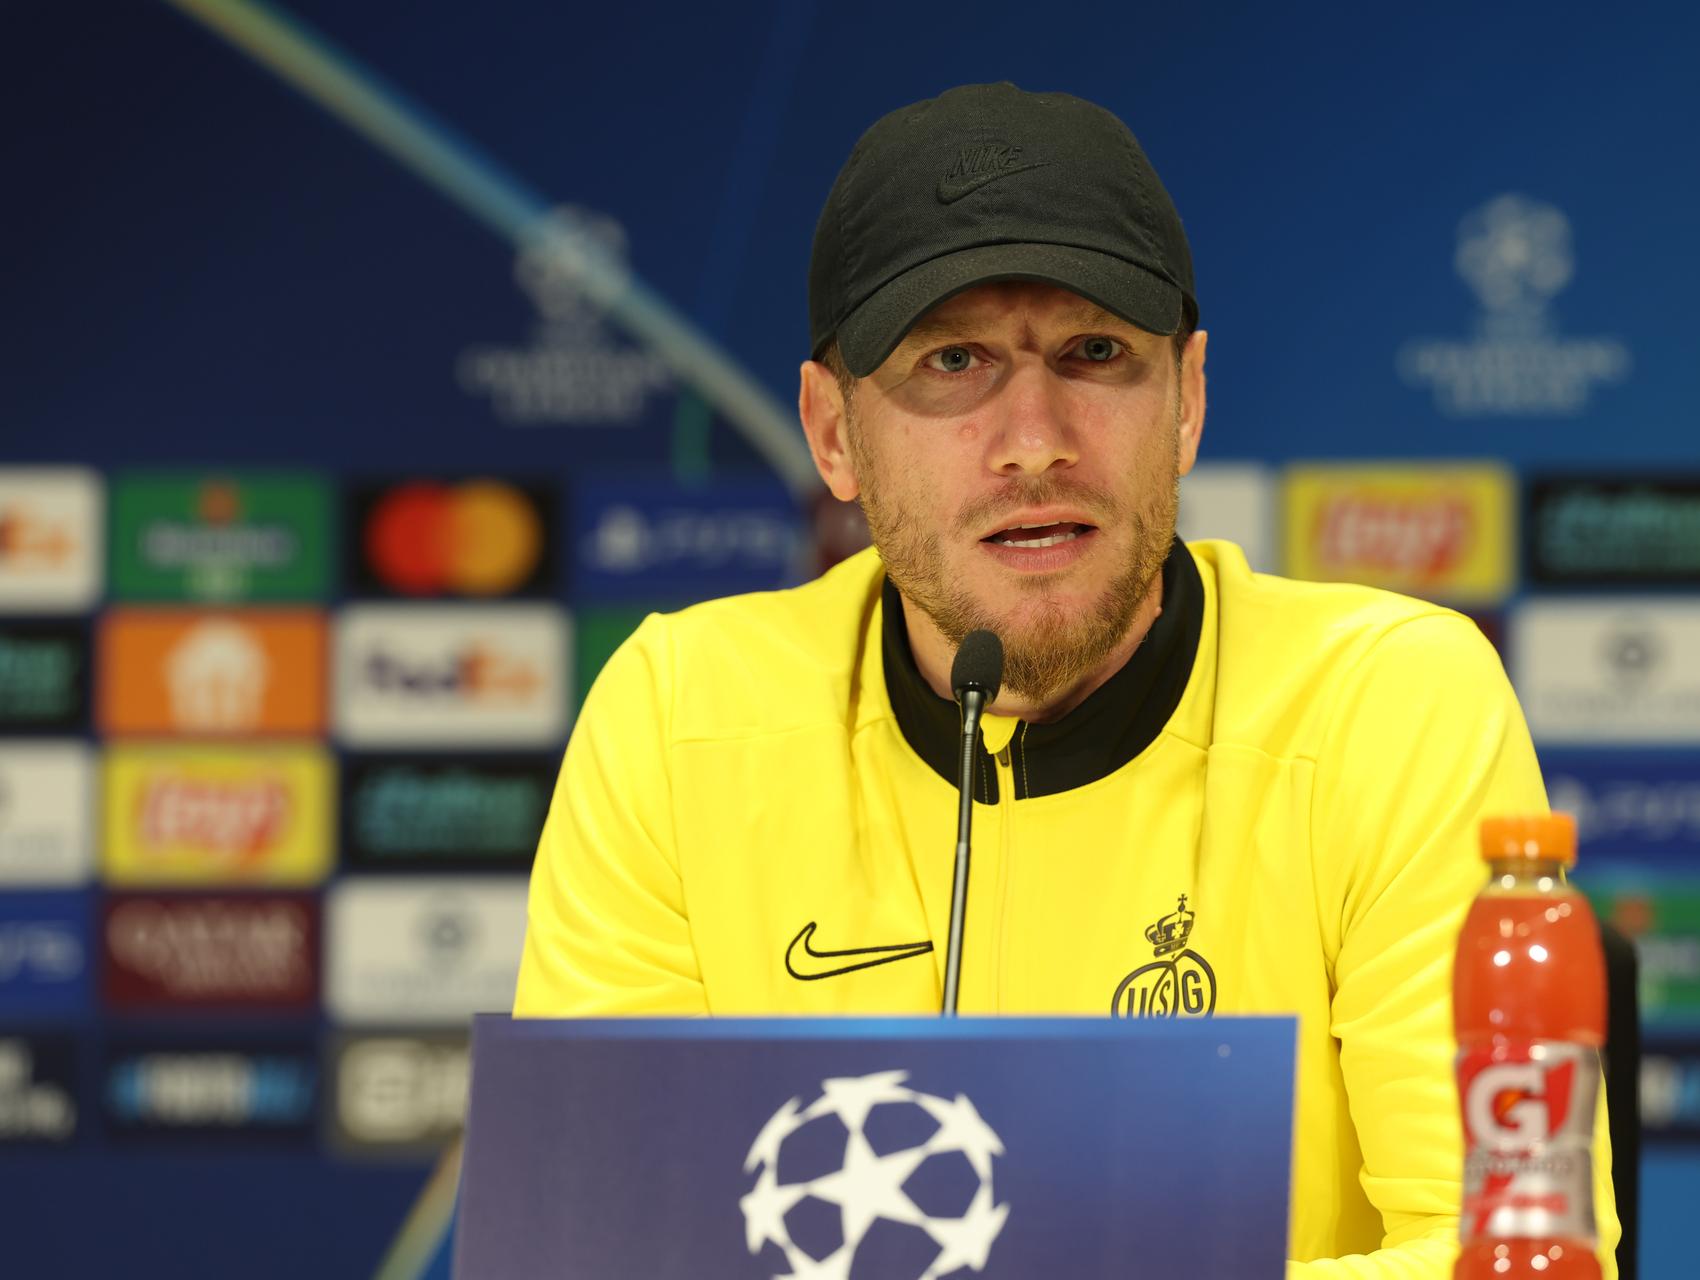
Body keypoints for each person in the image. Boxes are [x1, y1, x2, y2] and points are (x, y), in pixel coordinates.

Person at [514, 82, 1620, 1278]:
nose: (1034, 436)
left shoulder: (1391, 706)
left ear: (1187, 400)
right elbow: (602, 1250)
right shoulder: (679, 717)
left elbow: (1509, 1252)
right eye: (954, 361)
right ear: (832, 432)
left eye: (1095, 353)